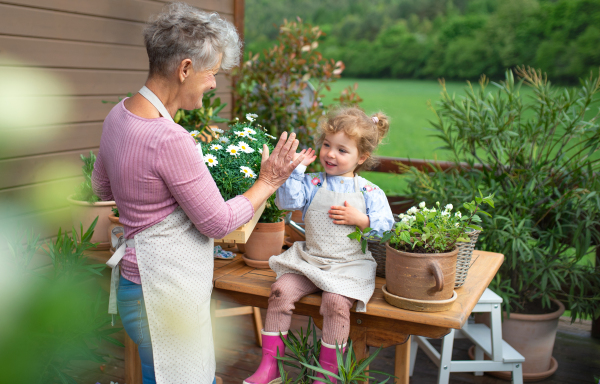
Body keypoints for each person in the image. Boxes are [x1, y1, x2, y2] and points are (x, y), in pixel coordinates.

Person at [91, 3, 306, 384]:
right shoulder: (170, 138)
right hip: (163, 297)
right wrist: (269, 180)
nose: (214, 84)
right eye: (212, 74)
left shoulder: (118, 115)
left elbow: (102, 187)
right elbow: (217, 221)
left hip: (134, 289)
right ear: (185, 69)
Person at [245, 107, 395, 384]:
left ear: (361, 157)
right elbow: (288, 203)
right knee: (279, 291)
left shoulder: (370, 192)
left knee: (336, 303)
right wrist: (296, 170)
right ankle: (270, 368)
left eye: (341, 150)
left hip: (349, 265)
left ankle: (328, 376)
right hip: (310, 260)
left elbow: (385, 229)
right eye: (327, 145)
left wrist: (362, 220)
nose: (330, 154)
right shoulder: (312, 182)